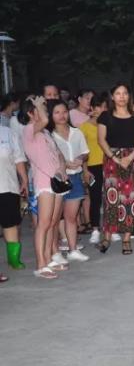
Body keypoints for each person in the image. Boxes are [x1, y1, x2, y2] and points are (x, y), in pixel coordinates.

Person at [19, 95, 69, 279]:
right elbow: (46, 120)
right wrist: (38, 103)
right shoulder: (28, 130)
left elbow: (59, 154)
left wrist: (62, 168)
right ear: (31, 113)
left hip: (57, 181)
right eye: (40, 109)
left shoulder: (45, 133)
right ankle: (41, 264)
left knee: (53, 222)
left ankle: (48, 258)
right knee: (44, 223)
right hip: (44, 182)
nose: (44, 112)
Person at [97, 84, 134, 255]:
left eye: (125, 93)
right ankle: (107, 237)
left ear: (129, 96)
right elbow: (101, 140)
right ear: (112, 96)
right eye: (118, 93)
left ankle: (126, 239)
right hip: (112, 159)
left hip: (132, 159)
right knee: (111, 199)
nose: (122, 96)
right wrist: (116, 158)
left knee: (130, 199)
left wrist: (129, 158)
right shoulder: (105, 116)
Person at [49, 100, 90, 262]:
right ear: (51, 115)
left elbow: (85, 152)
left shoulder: (76, 132)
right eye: (57, 112)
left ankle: (73, 250)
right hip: (57, 180)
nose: (62, 115)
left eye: (64, 112)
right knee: (54, 219)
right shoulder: (49, 135)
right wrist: (64, 164)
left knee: (71, 217)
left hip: (75, 177)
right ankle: (54, 252)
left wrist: (80, 159)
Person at [0, 119, 29, 281]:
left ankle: (13, 260)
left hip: (8, 186)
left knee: (11, 224)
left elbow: (18, 159)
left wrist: (24, 180)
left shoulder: (8, 133)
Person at [80, 95, 107, 244]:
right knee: (95, 199)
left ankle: (111, 229)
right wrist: (85, 170)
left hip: (109, 164)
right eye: (99, 106)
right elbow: (81, 151)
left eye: (104, 106)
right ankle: (95, 229)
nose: (102, 109)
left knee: (110, 198)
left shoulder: (108, 124)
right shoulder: (84, 127)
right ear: (92, 108)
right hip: (92, 166)